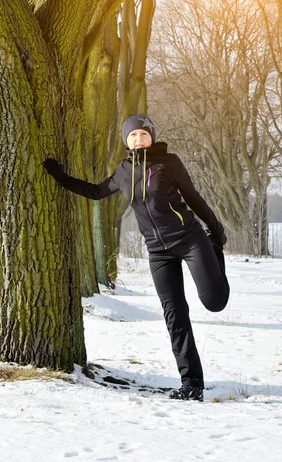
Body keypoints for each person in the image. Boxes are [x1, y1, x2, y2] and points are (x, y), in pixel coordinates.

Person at [43, 114, 229, 401]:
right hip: (157, 251)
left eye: (143, 134)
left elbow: (193, 197)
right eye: (132, 135)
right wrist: (59, 176)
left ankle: (215, 259)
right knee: (174, 315)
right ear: (126, 140)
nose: (138, 139)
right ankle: (191, 383)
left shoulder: (169, 162)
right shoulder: (123, 170)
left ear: (152, 136)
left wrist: (216, 233)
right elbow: (95, 192)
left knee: (215, 303)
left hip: (190, 240)